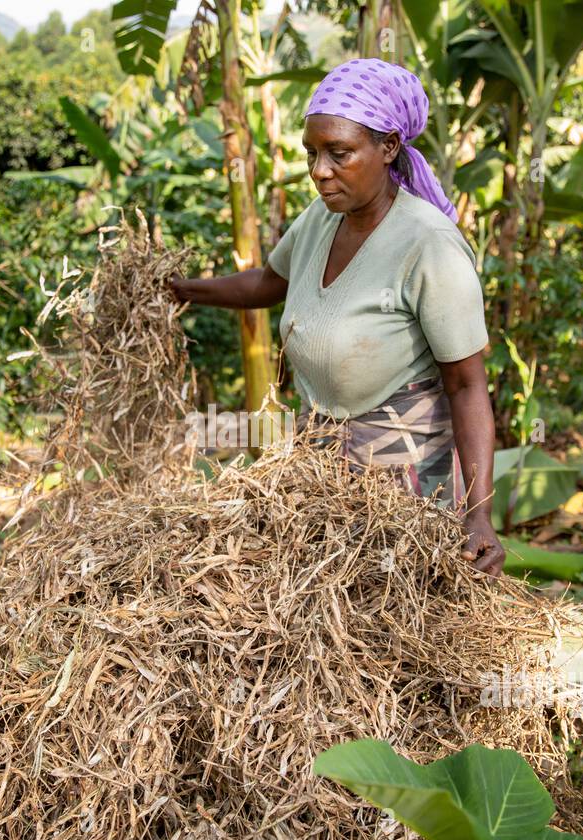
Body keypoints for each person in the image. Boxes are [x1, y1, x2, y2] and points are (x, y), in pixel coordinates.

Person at [169, 58, 504, 576]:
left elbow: (466, 385)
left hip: (404, 486)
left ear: (388, 147)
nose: (320, 170)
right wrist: (183, 291)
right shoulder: (323, 218)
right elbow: (268, 283)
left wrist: (479, 516)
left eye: (339, 153)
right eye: (312, 153)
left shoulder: (428, 245)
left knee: (393, 629)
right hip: (323, 471)